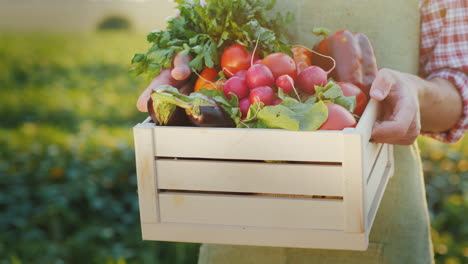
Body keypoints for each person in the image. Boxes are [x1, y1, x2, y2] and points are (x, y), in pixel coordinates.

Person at [136, 0, 467, 263]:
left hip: (381, 214)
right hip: (237, 224)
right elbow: (190, 28)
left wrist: (414, 91)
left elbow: (457, 88)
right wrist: (181, 65)